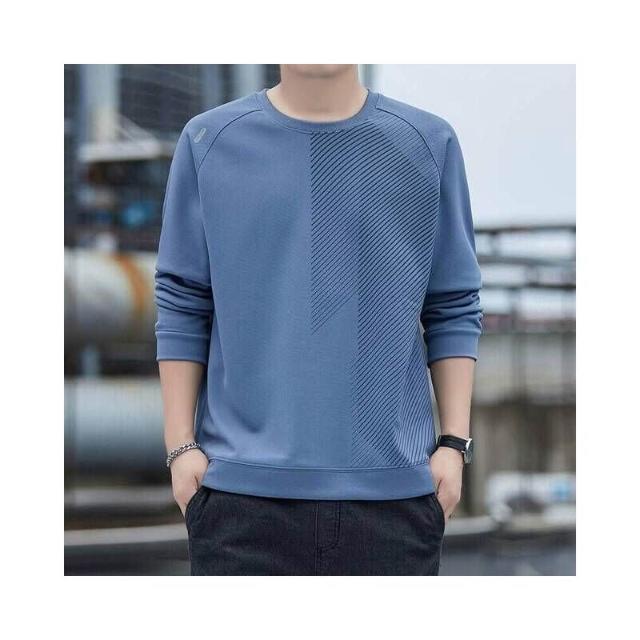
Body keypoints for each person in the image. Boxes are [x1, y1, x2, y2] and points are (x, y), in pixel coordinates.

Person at [155, 64, 482, 575]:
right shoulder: (209, 140)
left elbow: (453, 302)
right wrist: (180, 447)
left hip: (394, 499)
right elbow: (183, 299)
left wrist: (454, 445)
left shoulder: (428, 143)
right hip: (239, 500)